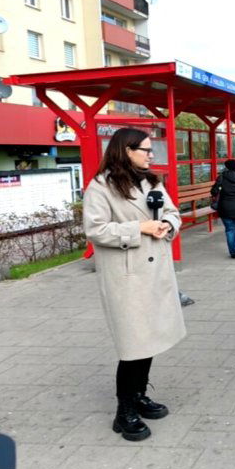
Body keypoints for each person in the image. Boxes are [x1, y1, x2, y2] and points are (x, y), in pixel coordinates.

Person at [83, 128, 186, 442]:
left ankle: (140, 394)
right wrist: (138, 227)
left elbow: (172, 211)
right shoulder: (101, 186)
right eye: (145, 149)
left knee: (149, 340)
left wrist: (168, 223)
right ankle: (123, 410)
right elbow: (95, 229)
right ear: (126, 150)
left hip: (155, 273)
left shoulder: (151, 181)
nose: (150, 155)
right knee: (132, 346)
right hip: (127, 278)